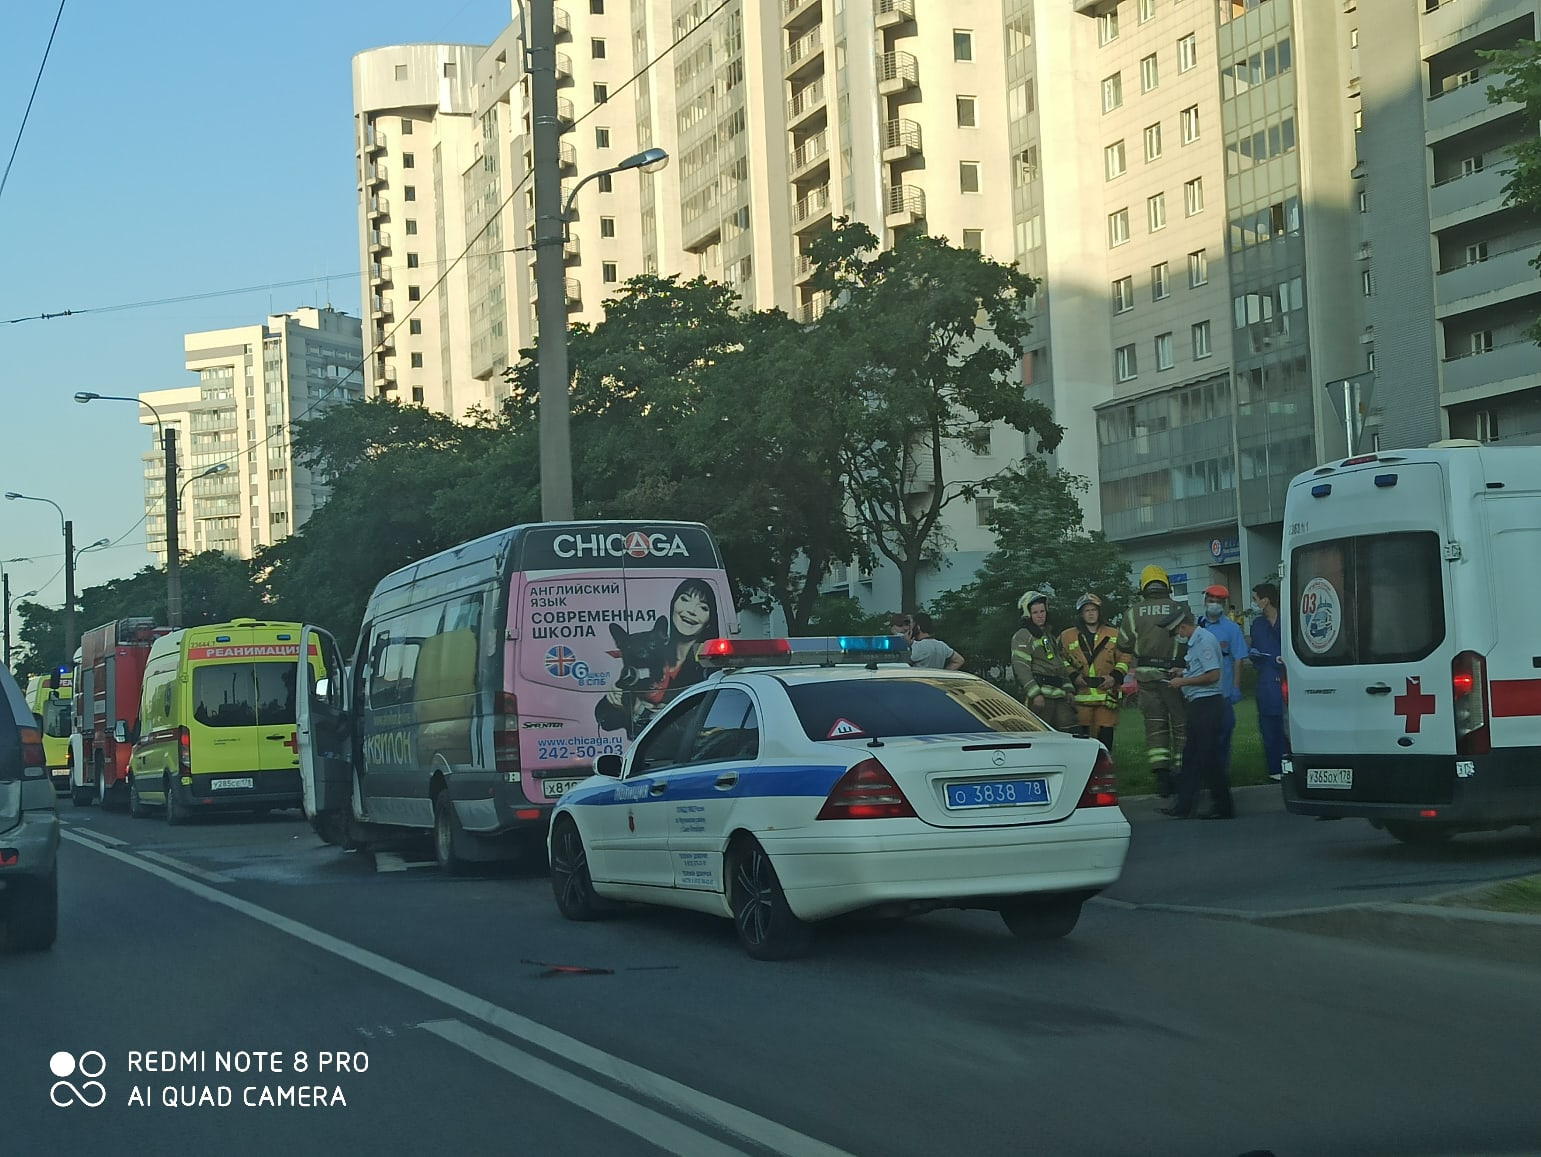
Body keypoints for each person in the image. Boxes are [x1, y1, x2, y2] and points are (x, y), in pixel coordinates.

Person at [596, 577, 720, 737]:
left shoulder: (711, 665)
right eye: (685, 599)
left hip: (690, 754)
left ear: (710, 619)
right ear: (673, 605)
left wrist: (640, 712)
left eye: (703, 607)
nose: (691, 610)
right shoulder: (646, 655)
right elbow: (606, 720)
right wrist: (615, 701)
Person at [1117, 565, 1187, 797]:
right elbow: (1189, 639)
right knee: (1180, 725)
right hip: (1174, 676)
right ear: (1165, 584)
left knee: (1155, 726)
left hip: (1146, 676)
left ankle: (1162, 779)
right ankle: (1182, 772)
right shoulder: (1180, 608)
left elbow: (1124, 644)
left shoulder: (1132, 613)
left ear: (1144, 585)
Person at [1158, 607, 1234, 820]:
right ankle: (1183, 806)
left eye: (1177, 633)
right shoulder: (1196, 642)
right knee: (1190, 758)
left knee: (1209, 758)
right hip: (1198, 705)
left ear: (1183, 627)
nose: (1178, 637)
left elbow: (1213, 675)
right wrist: (1183, 672)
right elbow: (1202, 669)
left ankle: (1223, 806)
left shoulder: (1203, 642)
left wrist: (1183, 681)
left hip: (1207, 705)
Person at [1060, 593, 1131, 751]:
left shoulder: (1114, 634)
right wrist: (1073, 675)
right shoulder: (1067, 636)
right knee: (1082, 743)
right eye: (1087, 610)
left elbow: (1125, 658)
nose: (1091, 613)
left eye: (1094, 609)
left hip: (1106, 696)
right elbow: (1060, 659)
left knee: (1105, 741)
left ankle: (1105, 770)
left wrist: (1115, 677)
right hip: (1080, 698)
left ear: (1099, 612)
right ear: (1080, 614)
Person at [1198, 584, 1249, 777]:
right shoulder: (1198, 625)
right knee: (1203, 736)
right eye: (1211, 601)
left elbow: (1238, 659)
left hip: (1224, 692)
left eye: (1219, 602)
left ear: (1224, 605)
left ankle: (1221, 771)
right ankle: (1205, 773)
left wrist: (1236, 686)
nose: (1214, 605)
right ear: (1205, 602)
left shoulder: (1231, 628)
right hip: (1201, 691)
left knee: (1224, 733)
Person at [1010, 590, 1078, 731]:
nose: (1040, 615)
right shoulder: (1023, 635)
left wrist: (1069, 689)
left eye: (1042, 611)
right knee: (1041, 733)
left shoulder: (1048, 636)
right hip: (1041, 696)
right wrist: (1035, 694)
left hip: (1059, 694)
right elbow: (1021, 667)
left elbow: (1059, 664)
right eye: (1035, 613)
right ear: (1027, 614)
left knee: (1070, 730)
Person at [1248, 581, 1286, 782]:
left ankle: (1290, 768)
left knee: (1287, 727)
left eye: (1255, 599)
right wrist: (1255, 656)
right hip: (1266, 681)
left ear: (1266, 600)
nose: (1254, 603)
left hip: (1288, 680)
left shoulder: (1287, 619)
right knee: (1269, 727)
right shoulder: (1257, 625)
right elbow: (1257, 649)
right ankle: (1274, 770)